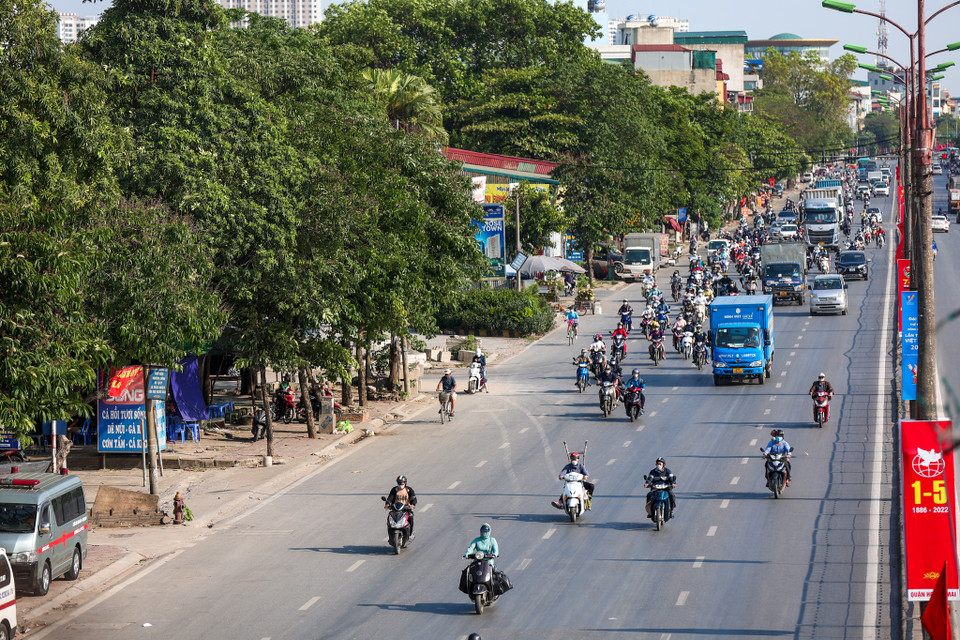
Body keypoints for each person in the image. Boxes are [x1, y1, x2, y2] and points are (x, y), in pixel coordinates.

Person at [386, 475, 418, 542]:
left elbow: (414, 499)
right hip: (396, 508)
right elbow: (390, 498)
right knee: (389, 519)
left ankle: (410, 535)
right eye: (399, 483)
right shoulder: (394, 490)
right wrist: (388, 504)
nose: (400, 485)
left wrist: (412, 505)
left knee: (411, 518)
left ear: (405, 483)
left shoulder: (409, 490)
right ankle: (390, 536)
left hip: (406, 508)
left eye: (402, 483)